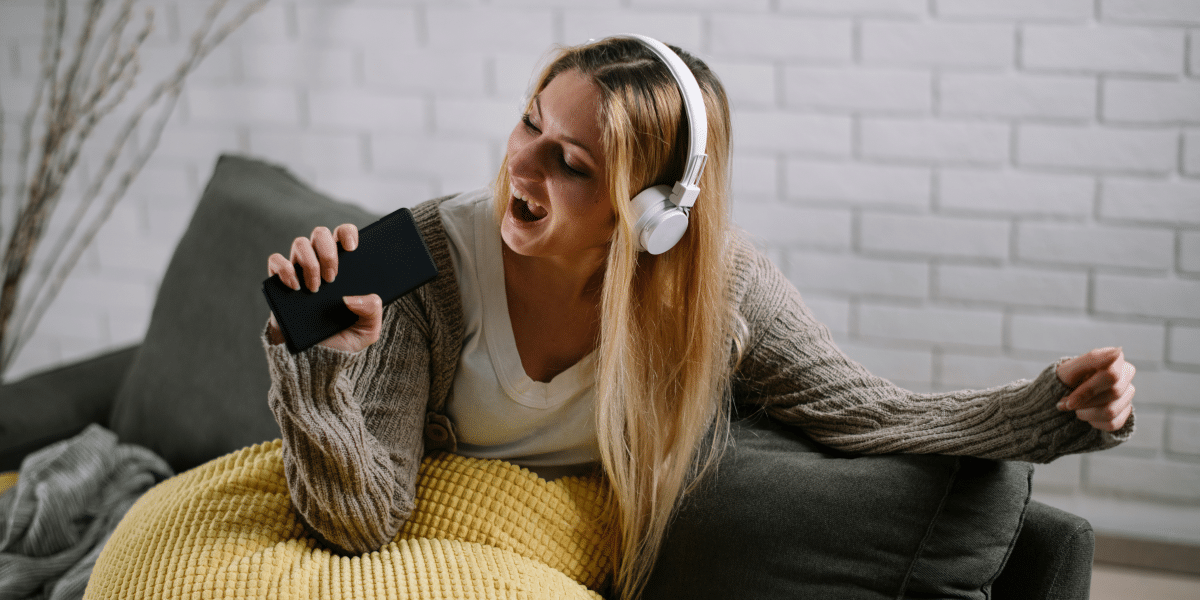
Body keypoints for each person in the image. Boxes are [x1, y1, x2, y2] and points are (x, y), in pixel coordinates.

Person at [262, 35, 1136, 600]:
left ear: (652, 214)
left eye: (567, 162)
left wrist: (1052, 408)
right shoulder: (420, 254)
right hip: (423, 534)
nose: (519, 163)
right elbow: (359, 519)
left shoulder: (713, 288)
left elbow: (866, 412)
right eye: (527, 123)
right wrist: (318, 363)